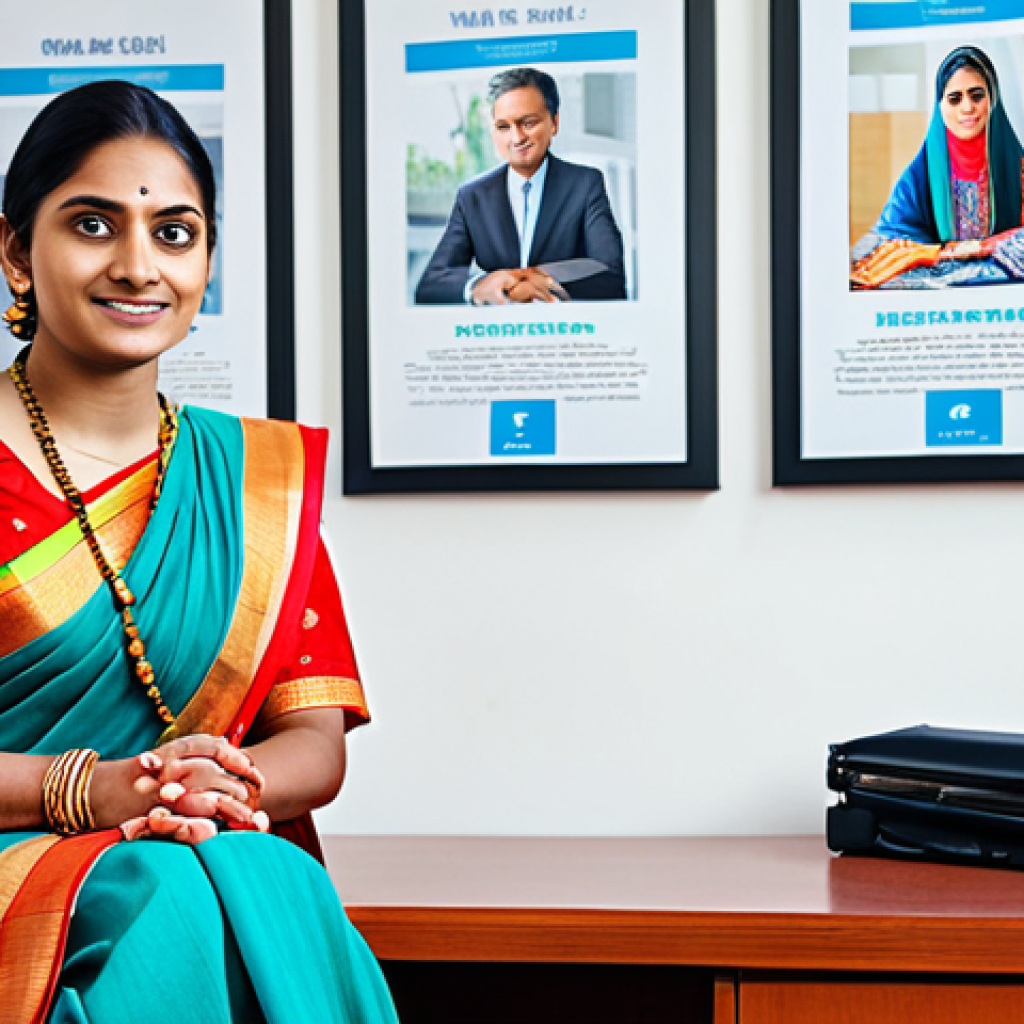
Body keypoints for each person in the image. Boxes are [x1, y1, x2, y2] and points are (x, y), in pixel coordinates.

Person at [0, 81, 397, 1023]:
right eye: (92, 225)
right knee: (164, 897)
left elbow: (315, 740)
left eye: (174, 232)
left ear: (206, 258)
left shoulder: (250, 479)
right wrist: (88, 789)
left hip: (202, 841)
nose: (140, 266)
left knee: (255, 873)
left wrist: (207, 792)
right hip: (22, 856)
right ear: (15, 251)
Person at [414, 67, 627, 304]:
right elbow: (430, 285)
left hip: (566, 333)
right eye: (503, 127)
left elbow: (611, 276)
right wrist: (481, 285)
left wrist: (543, 279)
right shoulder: (473, 195)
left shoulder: (585, 183)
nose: (516, 138)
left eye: (528, 123)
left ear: (554, 123)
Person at [872, 45, 1024, 244]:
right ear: (940, 106)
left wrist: (993, 246)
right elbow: (887, 239)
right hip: (938, 273)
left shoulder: (1018, 168)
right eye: (955, 99)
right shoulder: (918, 178)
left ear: (993, 100)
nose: (967, 108)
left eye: (977, 95)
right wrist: (942, 253)